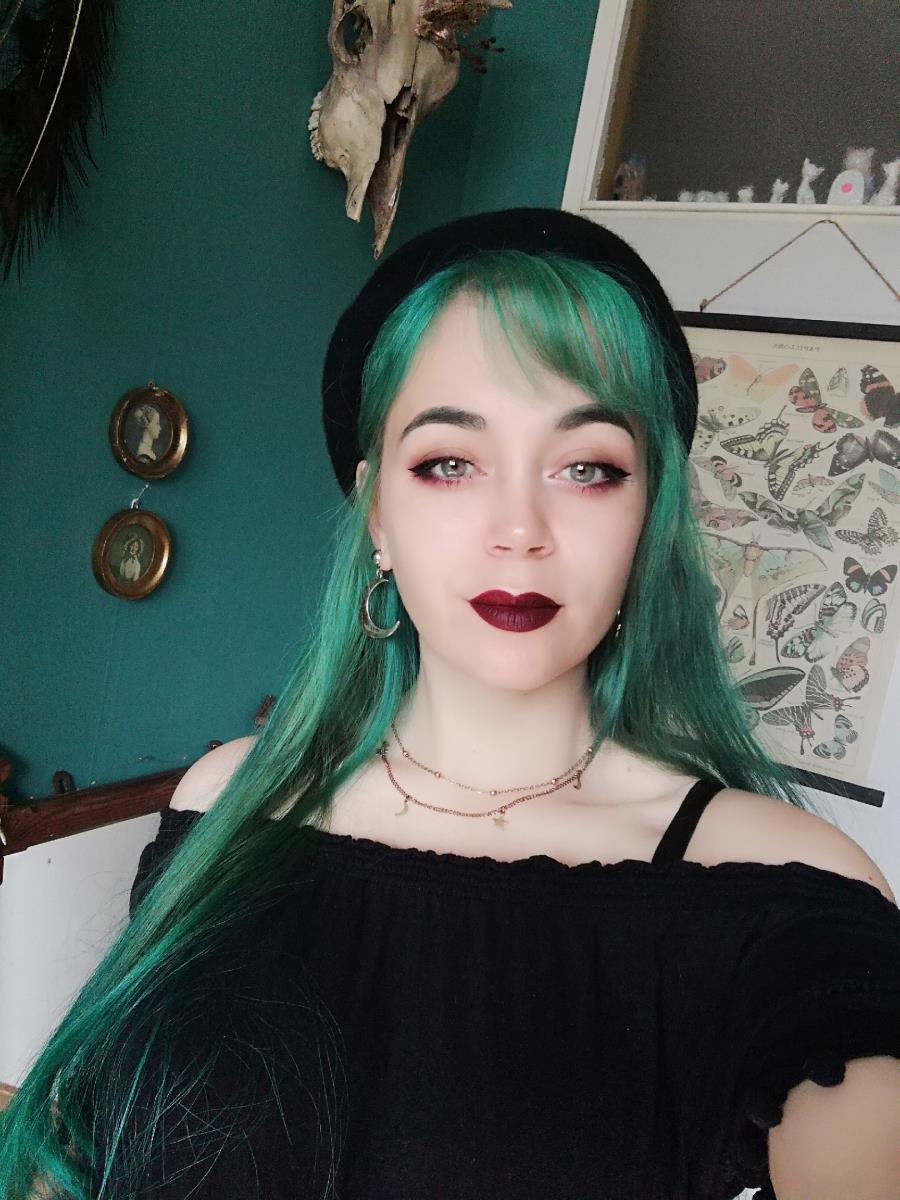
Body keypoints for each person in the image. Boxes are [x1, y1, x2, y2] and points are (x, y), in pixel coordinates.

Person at [2, 207, 899, 1200]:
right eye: (448, 463)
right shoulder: (228, 801)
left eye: (589, 468)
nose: (519, 529)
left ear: (648, 517)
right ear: (376, 511)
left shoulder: (783, 892)